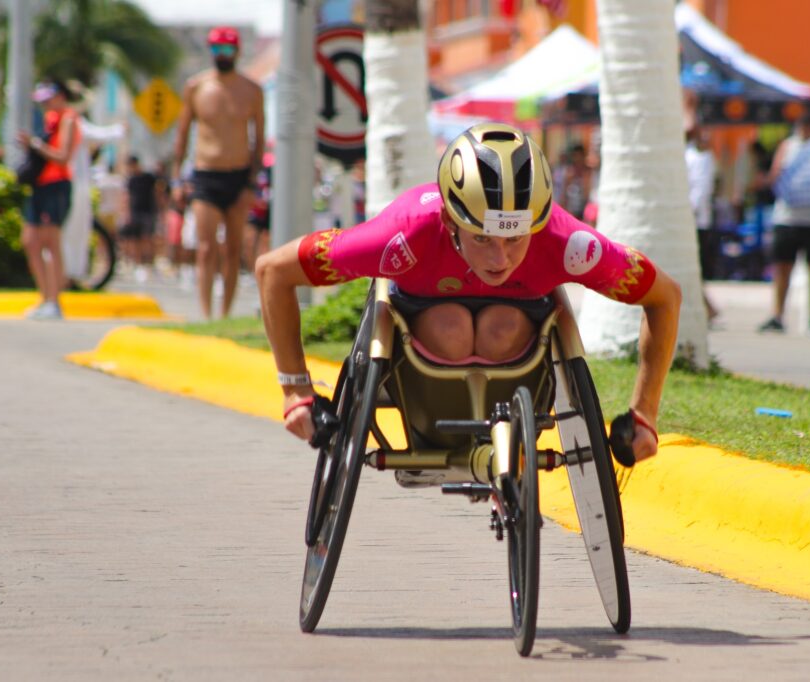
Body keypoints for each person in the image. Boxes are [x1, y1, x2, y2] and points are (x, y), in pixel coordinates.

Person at [256, 123, 682, 464]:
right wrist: (295, 391)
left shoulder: (565, 242)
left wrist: (644, 414)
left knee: (501, 326)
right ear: (449, 219)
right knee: (452, 326)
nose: (500, 257)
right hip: (424, 344)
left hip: (516, 340)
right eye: (482, 239)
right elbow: (273, 271)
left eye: (516, 238)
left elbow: (665, 296)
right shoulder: (404, 233)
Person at [172, 25, 265, 319]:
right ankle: (205, 313)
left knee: (233, 249)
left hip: (238, 177)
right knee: (205, 247)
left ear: (237, 51)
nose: (221, 55)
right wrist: (177, 178)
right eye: (216, 49)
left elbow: (259, 139)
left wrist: (252, 181)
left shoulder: (252, 90)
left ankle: (225, 314)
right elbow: (183, 134)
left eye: (226, 49)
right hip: (205, 175)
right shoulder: (195, 87)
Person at [757, 114, 810, 337]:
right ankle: (777, 315)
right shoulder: (788, 146)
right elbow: (775, 176)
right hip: (787, 216)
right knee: (782, 267)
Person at [18, 79, 81, 320]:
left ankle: (55, 301)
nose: (44, 105)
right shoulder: (49, 120)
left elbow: (63, 157)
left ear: (60, 96)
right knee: (30, 241)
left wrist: (34, 144)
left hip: (56, 185)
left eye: (48, 100)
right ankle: (44, 298)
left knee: (51, 243)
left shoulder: (68, 118)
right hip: (39, 185)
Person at [684, 125, 718, 322]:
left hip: (697, 222)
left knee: (693, 268)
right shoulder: (688, 154)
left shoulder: (704, 158)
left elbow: (701, 191)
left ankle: (708, 307)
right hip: (693, 220)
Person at [118, 155, 160, 280]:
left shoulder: (148, 177)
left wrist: (159, 209)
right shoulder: (131, 180)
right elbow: (127, 197)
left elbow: (156, 192)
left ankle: (148, 264)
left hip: (148, 210)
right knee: (134, 238)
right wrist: (126, 213)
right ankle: (138, 263)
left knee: (147, 238)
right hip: (135, 211)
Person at [553, 142, 592, 221]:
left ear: (583, 156)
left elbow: (588, 193)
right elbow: (564, 192)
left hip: (585, 209)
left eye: (579, 156)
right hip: (572, 209)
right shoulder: (569, 172)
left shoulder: (588, 172)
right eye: (575, 156)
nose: (577, 159)